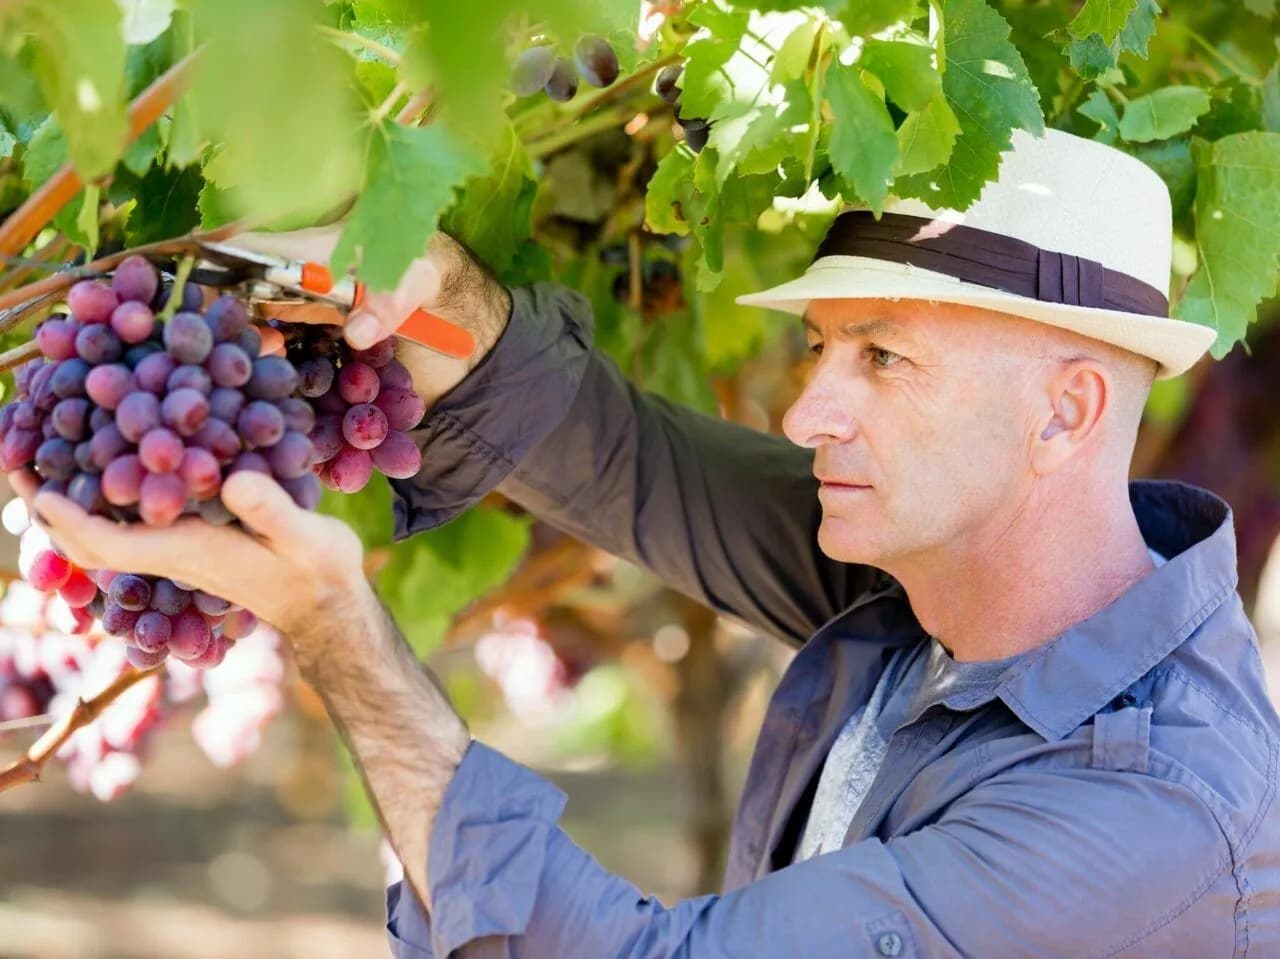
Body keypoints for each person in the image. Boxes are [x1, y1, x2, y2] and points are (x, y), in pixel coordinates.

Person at [17, 127, 1280, 957]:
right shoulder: (946, 582)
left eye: (882, 357)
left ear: (1065, 411)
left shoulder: (1142, 817)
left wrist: (334, 629)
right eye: (818, 347)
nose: (803, 409)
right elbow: (622, 458)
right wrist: (437, 299)